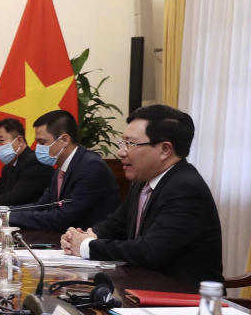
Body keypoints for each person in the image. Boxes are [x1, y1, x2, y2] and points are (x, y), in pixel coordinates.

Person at [61, 105, 223, 288]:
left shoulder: (185, 188)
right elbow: (115, 225)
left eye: (130, 144)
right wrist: (82, 236)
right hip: (142, 289)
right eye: (122, 143)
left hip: (182, 301)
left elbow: (149, 252)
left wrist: (86, 246)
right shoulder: (144, 181)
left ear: (165, 150)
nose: (121, 152)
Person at [0, 110, 120, 231]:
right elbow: (43, 205)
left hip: (89, 246)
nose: (37, 148)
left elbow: (62, 218)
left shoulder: (91, 167)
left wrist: (6, 217)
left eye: (42, 142)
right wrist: (2, 210)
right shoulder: (61, 168)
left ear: (65, 140)